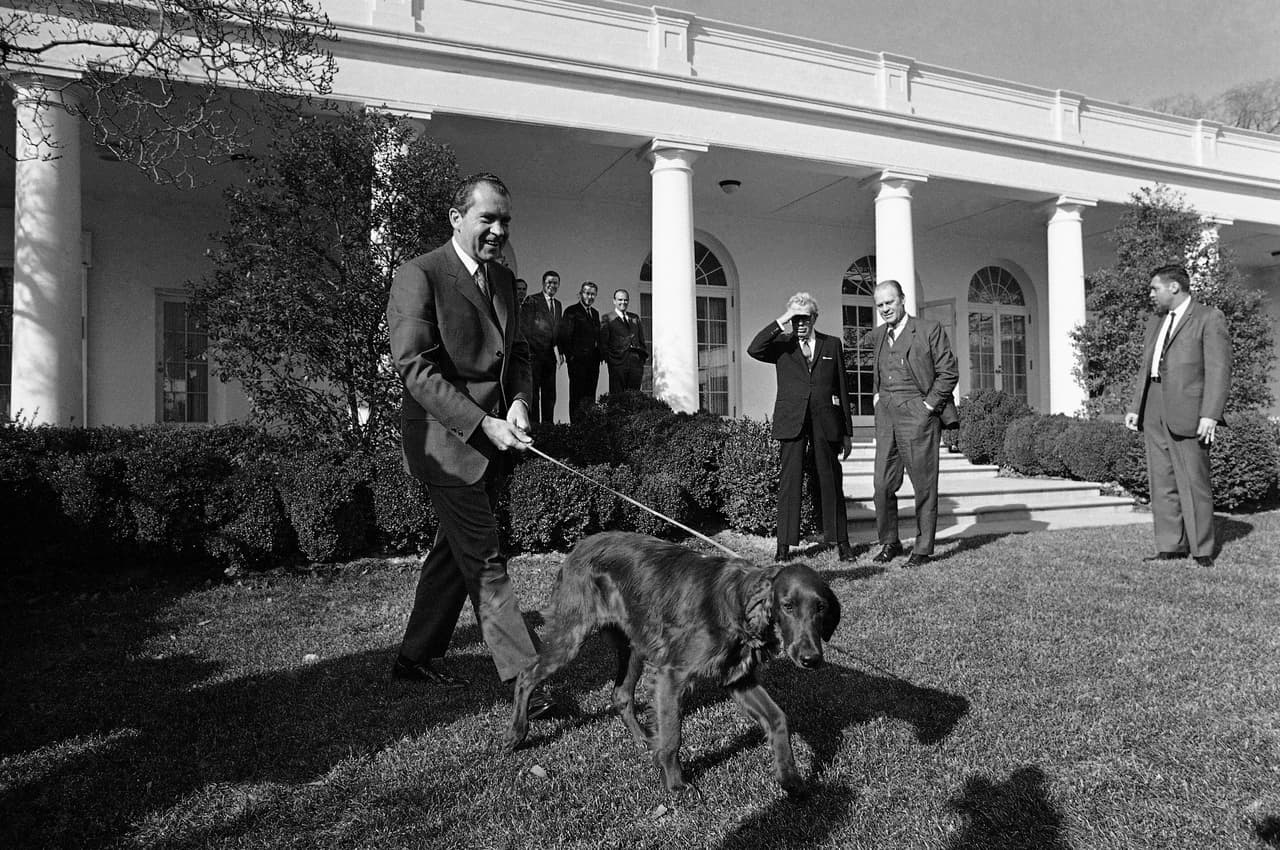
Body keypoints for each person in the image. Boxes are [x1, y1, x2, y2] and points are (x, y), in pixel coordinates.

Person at [385, 172, 554, 718]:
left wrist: (519, 403)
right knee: (483, 556)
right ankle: (528, 680)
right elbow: (415, 368)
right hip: (445, 445)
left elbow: (519, 353)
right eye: (488, 219)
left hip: (494, 442)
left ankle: (414, 657)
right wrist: (483, 423)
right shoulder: (419, 274)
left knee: (453, 552)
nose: (499, 230)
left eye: (505, 220)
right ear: (457, 218)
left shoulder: (503, 279)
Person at [1124, 264, 1230, 567]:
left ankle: (1201, 549)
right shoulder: (1155, 321)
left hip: (1190, 410)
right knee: (1161, 479)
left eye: (1154, 288)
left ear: (1174, 287)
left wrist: (1210, 414)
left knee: (1194, 481)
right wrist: (1136, 406)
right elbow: (1147, 367)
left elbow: (1219, 369)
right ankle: (1170, 545)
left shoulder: (1209, 317)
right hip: (1154, 405)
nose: (1150, 294)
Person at [748, 292, 857, 563]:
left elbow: (842, 388)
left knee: (831, 479)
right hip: (792, 420)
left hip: (826, 421)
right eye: (795, 318)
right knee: (790, 481)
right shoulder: (782, 344)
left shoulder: (832, 344)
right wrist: (783, 318)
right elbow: (754, 348)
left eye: (804, 318)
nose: (799, 323)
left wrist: (847, 432)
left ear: (814, 318)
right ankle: (783, 546)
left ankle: (842, 542)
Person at [868, 279, 958, 568]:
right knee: (882, 484)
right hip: (886, 417)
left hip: (918, 415)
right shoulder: (878, 335)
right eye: (880, 305)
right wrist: (877, 397)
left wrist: (928, 407)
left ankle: (922, 548)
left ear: (903, 300)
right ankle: (890, 542)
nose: (885, 309)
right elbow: (877, 372)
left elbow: (948, 372)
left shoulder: (929, 329)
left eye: (889, 302)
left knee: (923, 485)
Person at [520, 270, 562, 423]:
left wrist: (558, 351)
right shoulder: (532, 300)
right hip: (534, 355)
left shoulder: (558, 304)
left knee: (549, 394)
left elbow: (556, 331)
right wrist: (533, 351)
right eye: (549, 282)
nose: (552, 285)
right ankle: (535, 427)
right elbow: (525, 329)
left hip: (550, 358)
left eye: (555, 283)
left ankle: (548, 427)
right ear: (543, 283)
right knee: (534, 393)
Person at [557, 280, 602, 421]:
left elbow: (597, 336)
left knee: (590, 395)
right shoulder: (571, 311)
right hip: (577, 363)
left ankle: (588, 426)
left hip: (593, 363)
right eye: (587, 293)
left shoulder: (595, 313)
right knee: (577, 396)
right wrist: (571, 357)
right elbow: (565, 336)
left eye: (593, 294)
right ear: (581, 294)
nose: (590, 297)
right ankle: (576, 427)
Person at [600, 288, 647, 393]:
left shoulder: (635, 318)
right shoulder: (608, 318)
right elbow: (603, 342)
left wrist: (641, 359)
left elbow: (641, 340)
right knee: (617, 395)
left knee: (634, 396)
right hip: (617, 364)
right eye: (620, 300)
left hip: (635, 364)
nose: (623, 302)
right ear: (614, 301)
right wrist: (611, 360)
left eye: (625, 300)